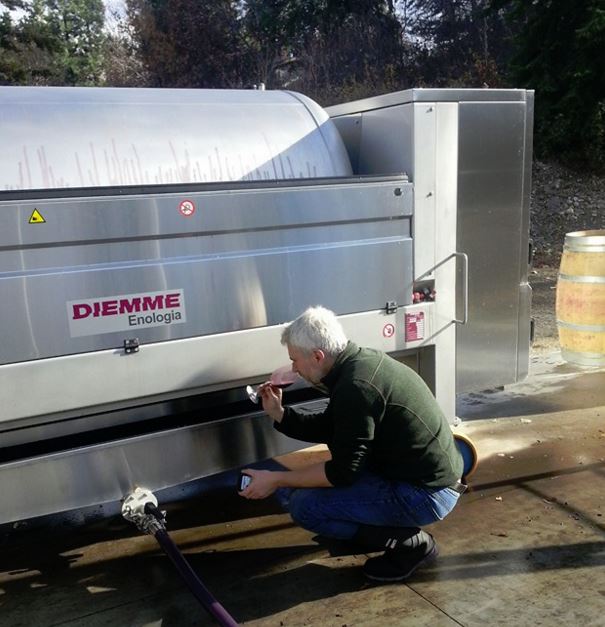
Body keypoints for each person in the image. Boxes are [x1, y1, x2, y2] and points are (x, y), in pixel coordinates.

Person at [239, 306, 464, 582]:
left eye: (295, 360)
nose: (294, 369)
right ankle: (374, 533)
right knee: (294, 489)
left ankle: (411, 545)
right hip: (416, 476)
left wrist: (276, 478)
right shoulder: (357, 364)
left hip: (426, 494)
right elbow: (333, 428)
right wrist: (280, 414)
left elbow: (343, 472)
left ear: (318, 356)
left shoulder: (356, 386)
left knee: (304, 505)